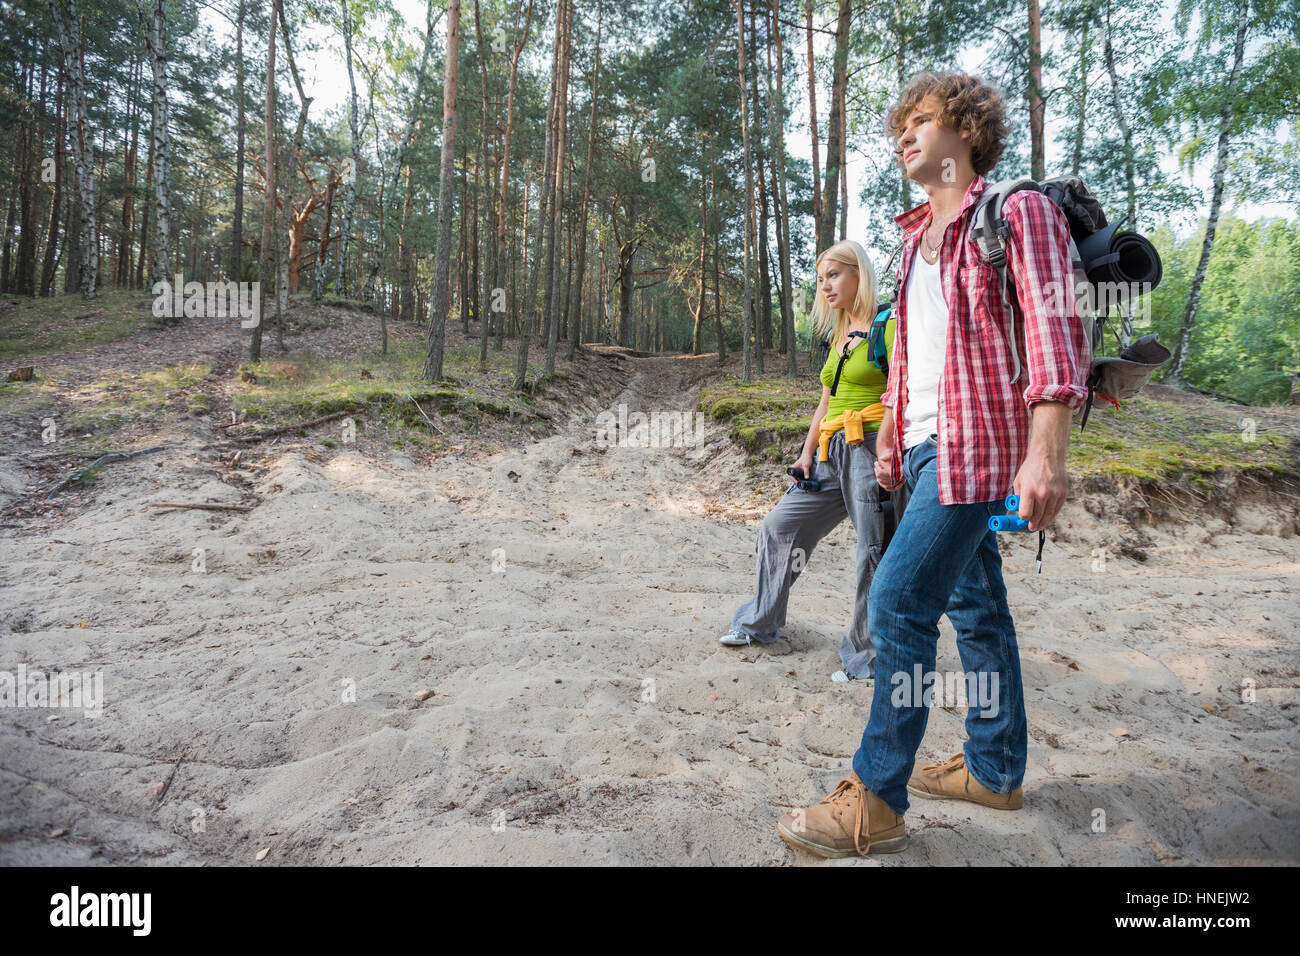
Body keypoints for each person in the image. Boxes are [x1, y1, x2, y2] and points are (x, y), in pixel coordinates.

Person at [777, 71, 1091, 858]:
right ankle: (994, 770)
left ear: (967, 128)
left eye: (921, 120)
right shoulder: (917, 238)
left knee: (899, 598)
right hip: (921, 449)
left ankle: (876, 798)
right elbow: (913, 355)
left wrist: (1046, 454)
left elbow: (1056, 334)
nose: (905, 137)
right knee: (976, 609)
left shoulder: (1018, 210)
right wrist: (890, 445)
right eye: (899, 128)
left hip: (977, 447)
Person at [720, 239, 904, 683]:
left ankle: (867, 658)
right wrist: (805, 454)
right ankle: (761, 623)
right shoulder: (840, 333)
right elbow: (826, 401)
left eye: (834, 275)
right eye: (820, 278)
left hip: (869, 449)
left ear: (859, 273)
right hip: (828, 455)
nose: (824, 286)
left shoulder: (891, 324)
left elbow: (903, 391)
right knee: (779, 526)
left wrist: (888, 449)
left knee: (873, 554)